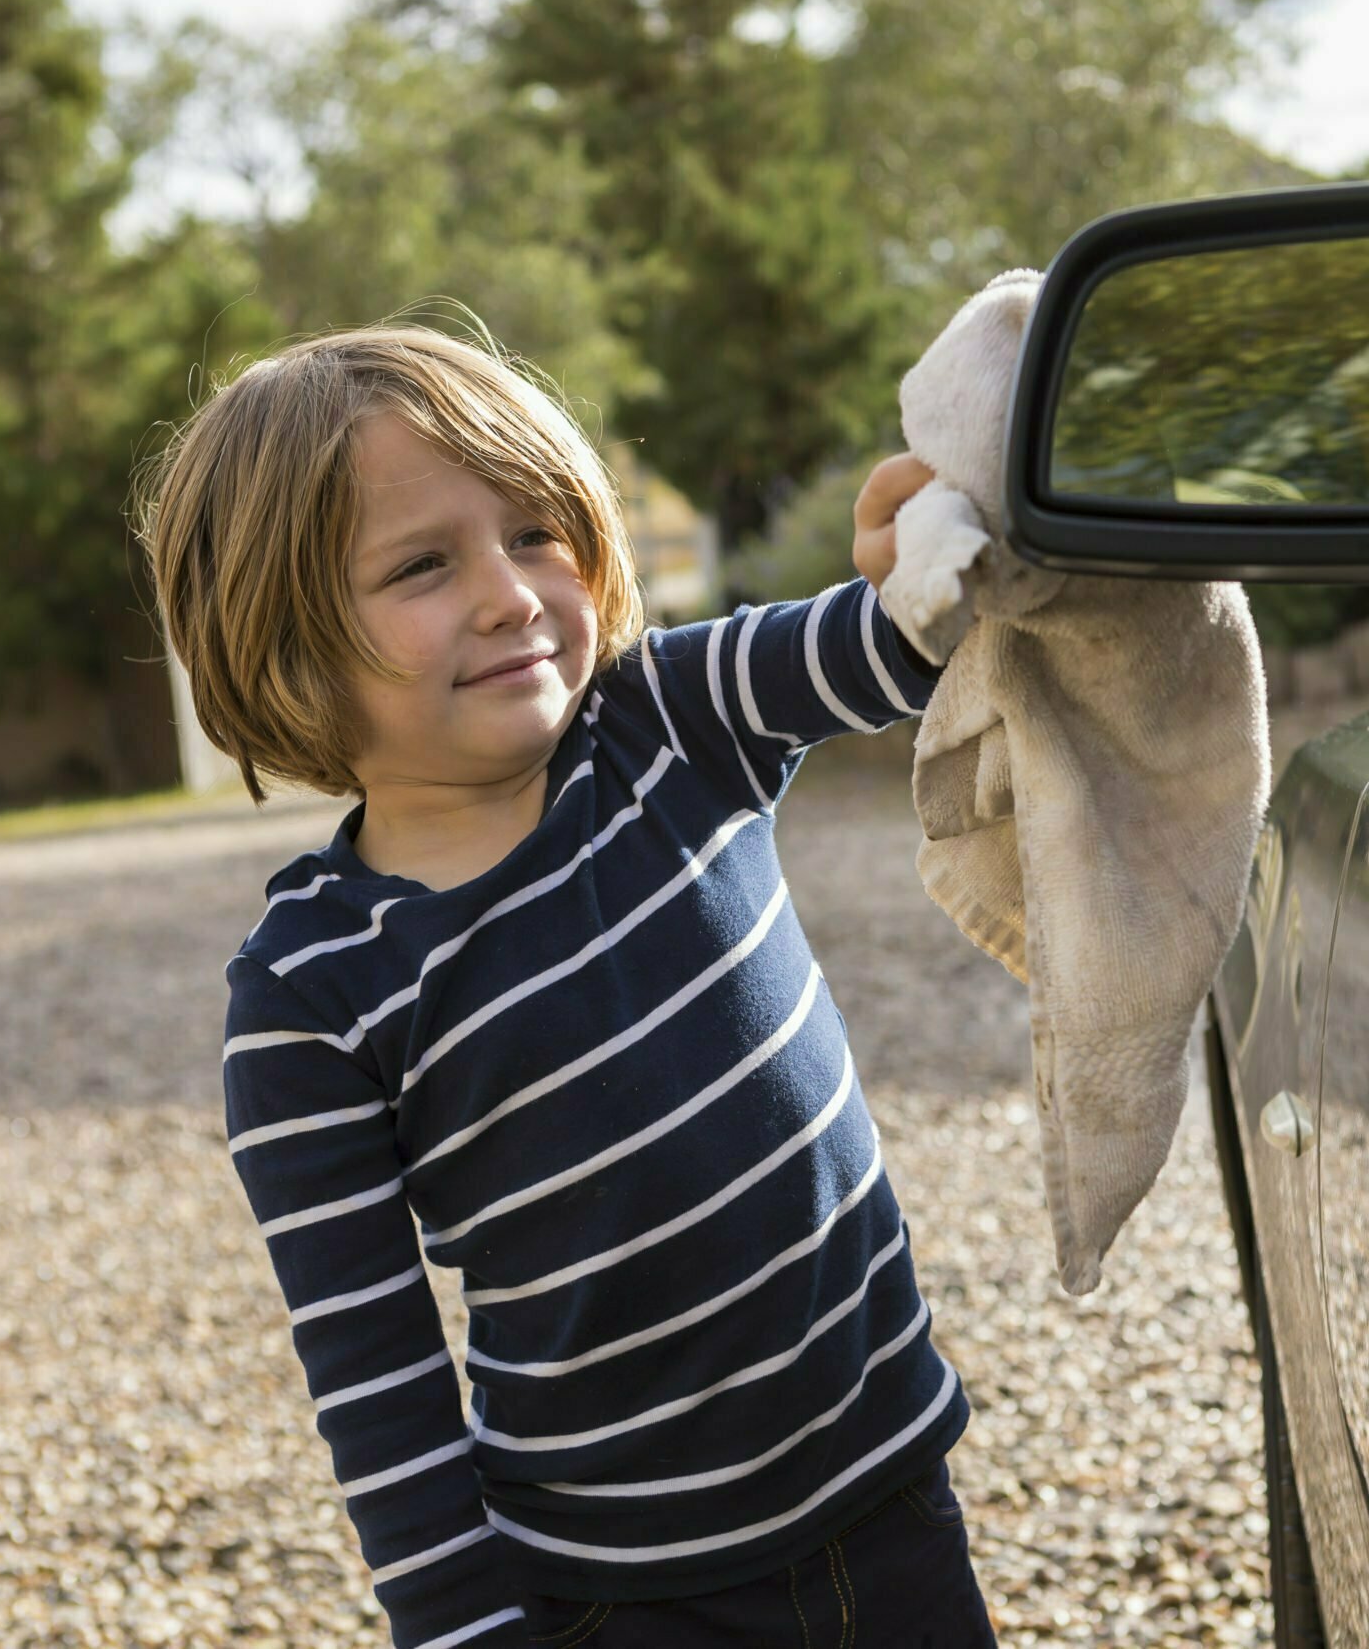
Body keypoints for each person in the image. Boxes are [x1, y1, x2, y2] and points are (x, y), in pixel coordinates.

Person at [136, 323, 1001, 1648]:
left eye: (536, 533)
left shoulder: (668, 723)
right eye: (424, 563)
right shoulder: (310, 992)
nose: (508, 593)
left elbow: (894, 643)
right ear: (286, 646)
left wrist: (929, 542)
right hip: (626, 1591)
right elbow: (378, 1381)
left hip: (887, 1493)